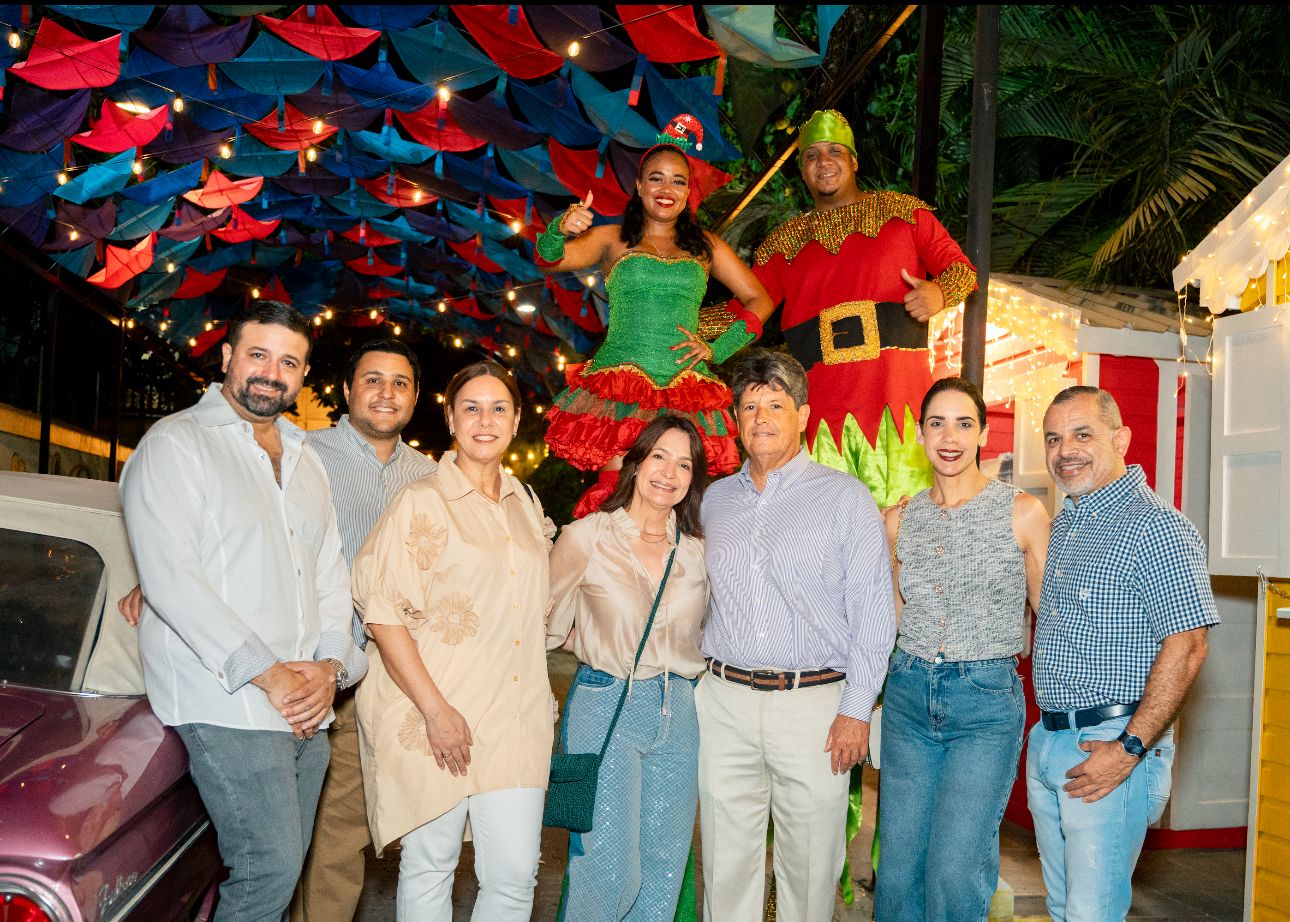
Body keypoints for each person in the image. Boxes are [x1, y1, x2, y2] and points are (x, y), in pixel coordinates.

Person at [119, 302, 367, 922]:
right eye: (258, 354)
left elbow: (330, 576)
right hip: (227, 700)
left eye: (289, 362)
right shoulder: (176, 443)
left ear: (302, 375)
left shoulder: (307, 460)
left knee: (282, 877)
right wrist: (271, 674)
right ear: (228, 356)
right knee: (268, 871)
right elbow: (172, 580)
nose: (271, 373)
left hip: (306, 705)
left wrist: (329, 669)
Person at [697, 349, 897, 922]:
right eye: (749, 406)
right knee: (725, 866)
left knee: (810, 868)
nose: (761, 417)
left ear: (804, 415)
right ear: (736, 420)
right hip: (723, 705)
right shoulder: (713, 501)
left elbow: (874, 613)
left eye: (776, 405)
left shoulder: (845, 497)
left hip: (815, 708)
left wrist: (856, 710)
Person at [350, 361, 553, 921]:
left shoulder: (526, 504)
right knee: (431, 865)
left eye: (498, 409)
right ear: (450, 419)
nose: (485, 421)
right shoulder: (421, 500)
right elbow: (383, 616)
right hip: (436, 716)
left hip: (514, 722)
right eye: (472, 408)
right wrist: (436, 711)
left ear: (516, 421)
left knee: (514, 876)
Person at [1027, 386, 1219, 922]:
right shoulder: (1068, 522)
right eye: (1054, 439)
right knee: (1063, 909)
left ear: (1121, 439)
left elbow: (1189, 644)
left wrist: (1130, 748)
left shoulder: (1156, 526)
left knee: (1092, 913)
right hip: (1051, 739)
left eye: (1082, 434)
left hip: (1111, 745)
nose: (1066, 450)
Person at [726, 109, 977, 508]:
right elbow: (746, 314)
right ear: (802, 169)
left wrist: (940, 294)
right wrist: (687, 333)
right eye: (812, 155)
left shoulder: (906, 214)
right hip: (823, 428)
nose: (823, 162)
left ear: (854, 161)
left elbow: (962, 271)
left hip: (903, 416)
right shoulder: (783, 246)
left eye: (835, 152)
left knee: (910, 534)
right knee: (826, 539)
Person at [535, 113, 774, 516]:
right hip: (620, 391)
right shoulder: (613, 239)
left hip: (687, 391)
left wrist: (718, 348)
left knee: (680, 506)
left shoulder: (706, 246)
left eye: (678, 181)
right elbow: (549, 258)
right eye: (657, 178)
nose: (667, 189)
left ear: (688, 191)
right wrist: (561, 227)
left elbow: (759, 299)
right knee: (618, 501)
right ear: (639, 186)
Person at [874, 377, 1050, 922]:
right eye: (937, 423)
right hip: (907, 697)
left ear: (983, 434)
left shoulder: (1022, 512)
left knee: (955, 870)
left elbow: (1051, 618)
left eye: (963, 424)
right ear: (920, 434)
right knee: (898, 870)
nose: (949, 438)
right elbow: (891, 618)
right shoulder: (898, 520)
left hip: (985, 705)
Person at [291, 340, 437, 922]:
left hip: (393, 676)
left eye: (400, 383)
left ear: (416, 398)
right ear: (348, 390)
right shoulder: (304, 454)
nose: (386, 393)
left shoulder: (430, 477)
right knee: (290, 830)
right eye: (372, 379)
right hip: (310, 669)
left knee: (351, 830)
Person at [547, 415, 710, 920]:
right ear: (635, 463)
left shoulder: (697, 551)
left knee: (663, 870)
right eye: (659, 456)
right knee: (607, 869)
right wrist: (593, 644)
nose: (669, 473)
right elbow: (540, 624)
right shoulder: (587, 537)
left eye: (684, 464)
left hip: (679, 710)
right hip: (605, 703)